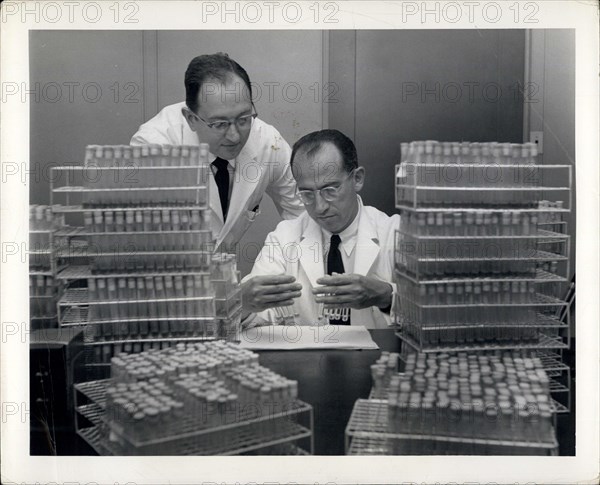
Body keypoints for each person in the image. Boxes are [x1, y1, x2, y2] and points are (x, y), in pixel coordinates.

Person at [130, 53, 304, 251]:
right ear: (191, 119)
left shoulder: (268, 142)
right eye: (220, 124)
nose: (234, 136)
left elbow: (303, 217)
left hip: (225, 273)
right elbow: (150, 244)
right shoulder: (155, 146)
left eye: (243, 119)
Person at [242, 129, 400, 329]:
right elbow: (258, 319)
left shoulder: (396, 233)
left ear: (357, 178)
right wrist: (241, 303)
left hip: (378, 358)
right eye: (307, 193)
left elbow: (438, 314)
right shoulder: (284, 238)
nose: (319, 207)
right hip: (307, 360)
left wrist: (387, 296)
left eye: (330, 190)